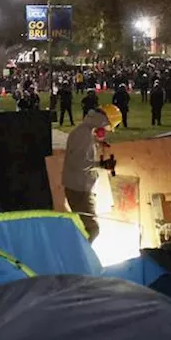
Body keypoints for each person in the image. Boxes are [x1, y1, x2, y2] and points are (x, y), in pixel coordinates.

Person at [60, 104, 122, 242]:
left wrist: (97, 143)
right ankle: (81, 259)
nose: (107, 131)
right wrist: (101, 165)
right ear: (104, 121)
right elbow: (80, 164)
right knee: (92, 230)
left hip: (79, 187)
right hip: (79, 189)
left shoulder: (85, 131)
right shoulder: (84, 136)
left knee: (84, 228)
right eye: (108, 127)